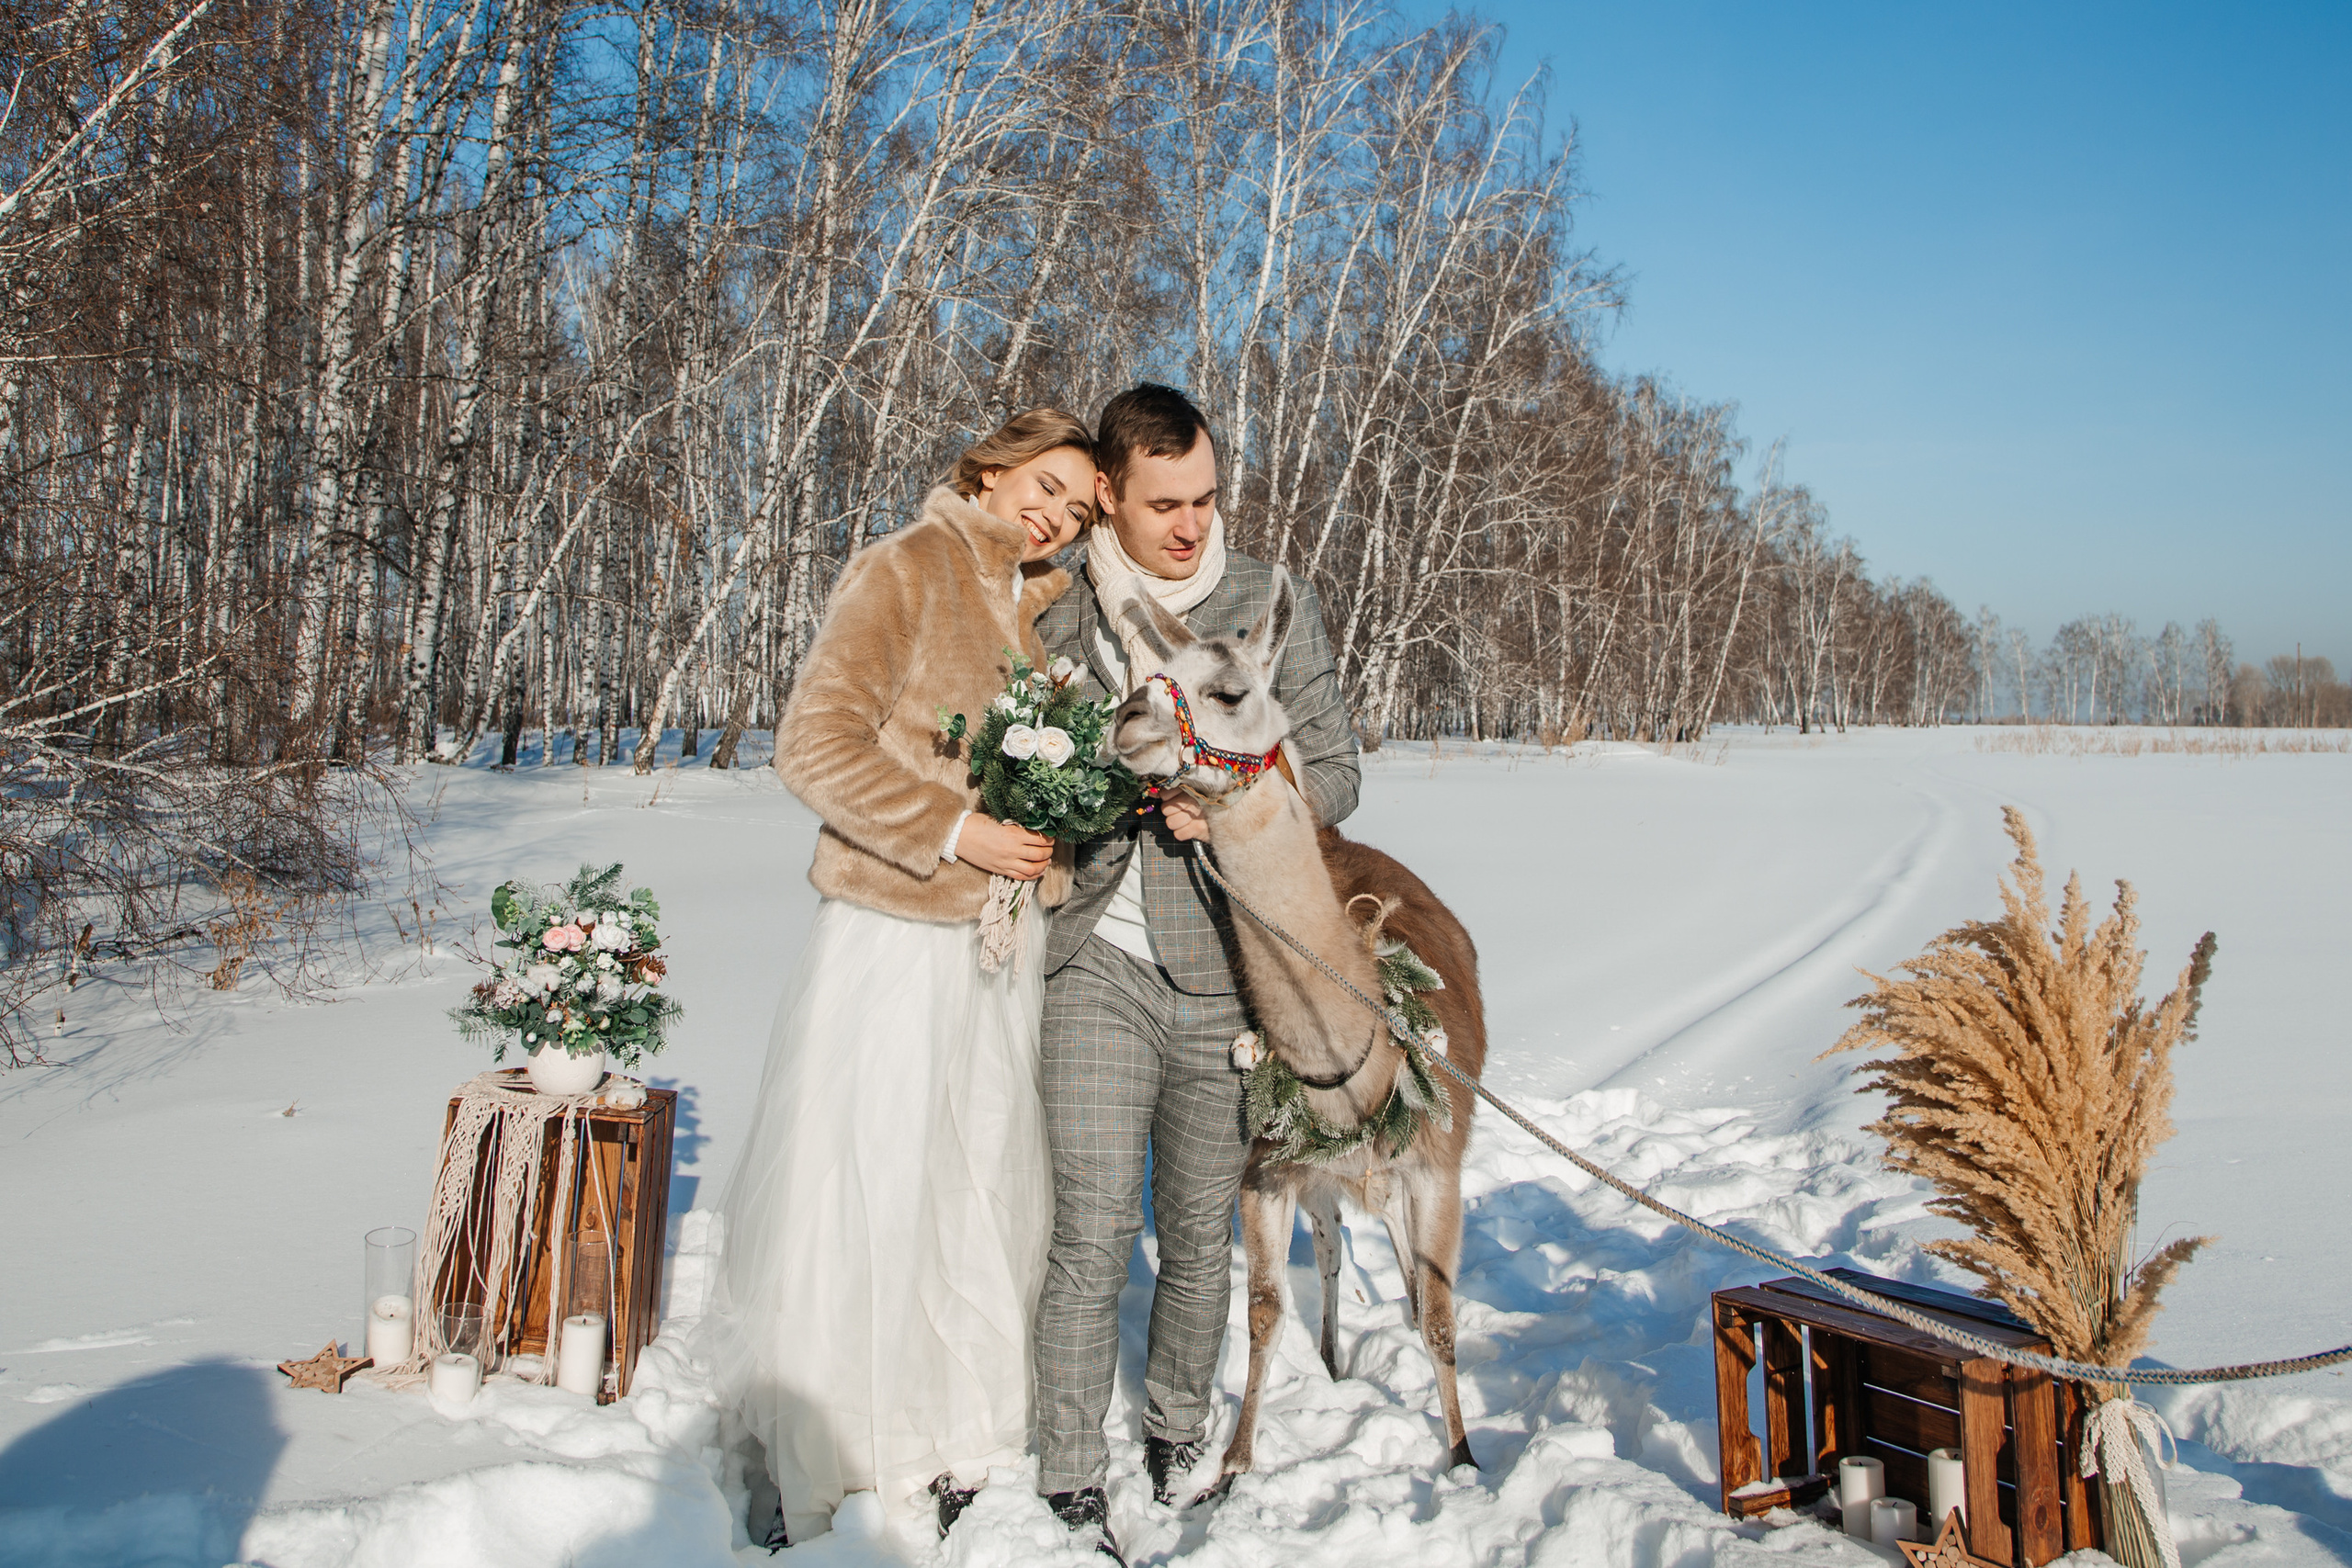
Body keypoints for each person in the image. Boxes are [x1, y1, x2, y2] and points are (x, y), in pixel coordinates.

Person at [708, 409, 1100, 1548]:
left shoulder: (1038, 615)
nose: (1056, 516)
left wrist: (1047, 845)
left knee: (975, 1184)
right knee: (869, 1183)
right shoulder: (906, 566)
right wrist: (957, 832)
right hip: (891, 937)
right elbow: (814, 746)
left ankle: (956, 1438)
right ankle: (837, 1447)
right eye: (1045, 486)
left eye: (1076, 510)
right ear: (990, 467)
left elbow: (1032, 785)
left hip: (995, 948)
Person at [1030, 384, 1361, 1559]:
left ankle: (1176, 1431)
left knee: (1198, 1225)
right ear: (1107, 494)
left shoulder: (1270, 600)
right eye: (1163, 503)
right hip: (1094, 955)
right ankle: (1068, 1470)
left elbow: (1335, 771)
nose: (1188, 525)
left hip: (1226, 960)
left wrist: (1236, 802)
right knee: (1087, 1224)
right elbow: (1015, 756)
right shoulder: (1056, 606)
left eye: (1206, 499)